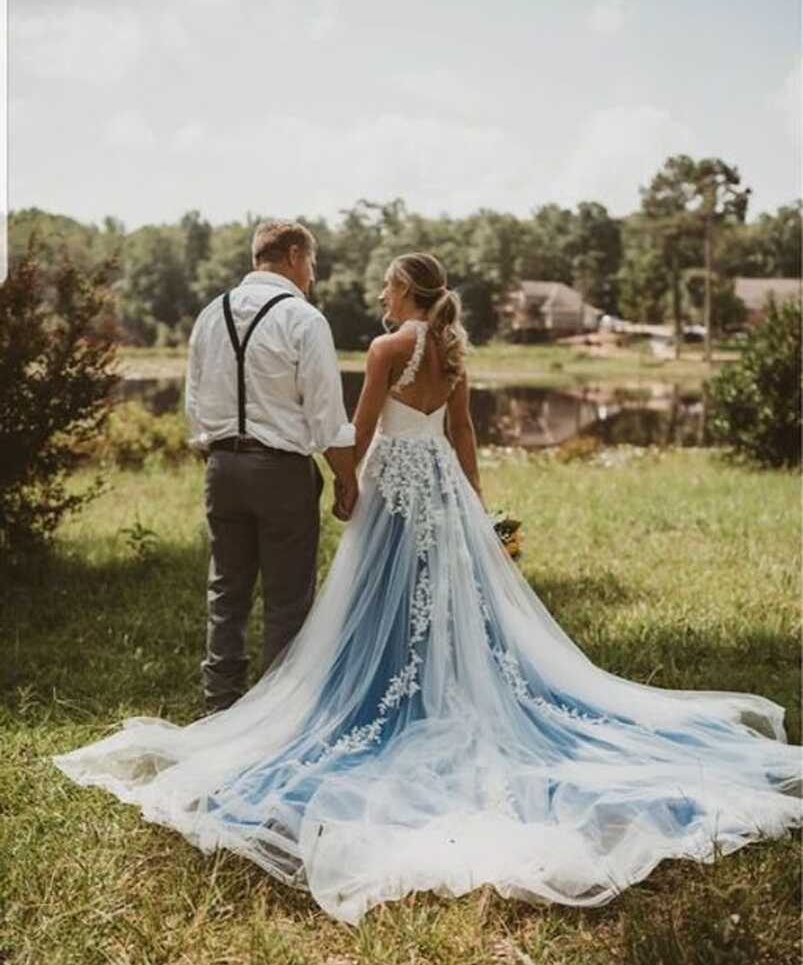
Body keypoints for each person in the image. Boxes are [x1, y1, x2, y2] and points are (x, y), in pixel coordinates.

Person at [52, 252, 802, 925]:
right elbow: (464, 433)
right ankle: (435, 684)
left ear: (407, 290)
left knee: (379, 601)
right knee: (445, 600)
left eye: (386, 283)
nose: (379, 292)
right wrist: (474, 509)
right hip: (440, 487)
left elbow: (362, 424)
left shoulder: (386, 349)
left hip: (395, 487)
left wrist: (349, 487)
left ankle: (374, 696)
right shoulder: (448, 350)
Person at [184, 219, 358, 712]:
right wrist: (347, 478)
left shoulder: (209, 315)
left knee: (226, 592)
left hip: (222, 468)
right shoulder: (304, 319)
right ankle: (275, 716)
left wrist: (219, 452)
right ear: (296, 255)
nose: (314, 276)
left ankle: (220, 708)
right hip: (281, 471)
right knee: (288, 601)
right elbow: (326, 416)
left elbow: (194, 406)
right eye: (314, 265)